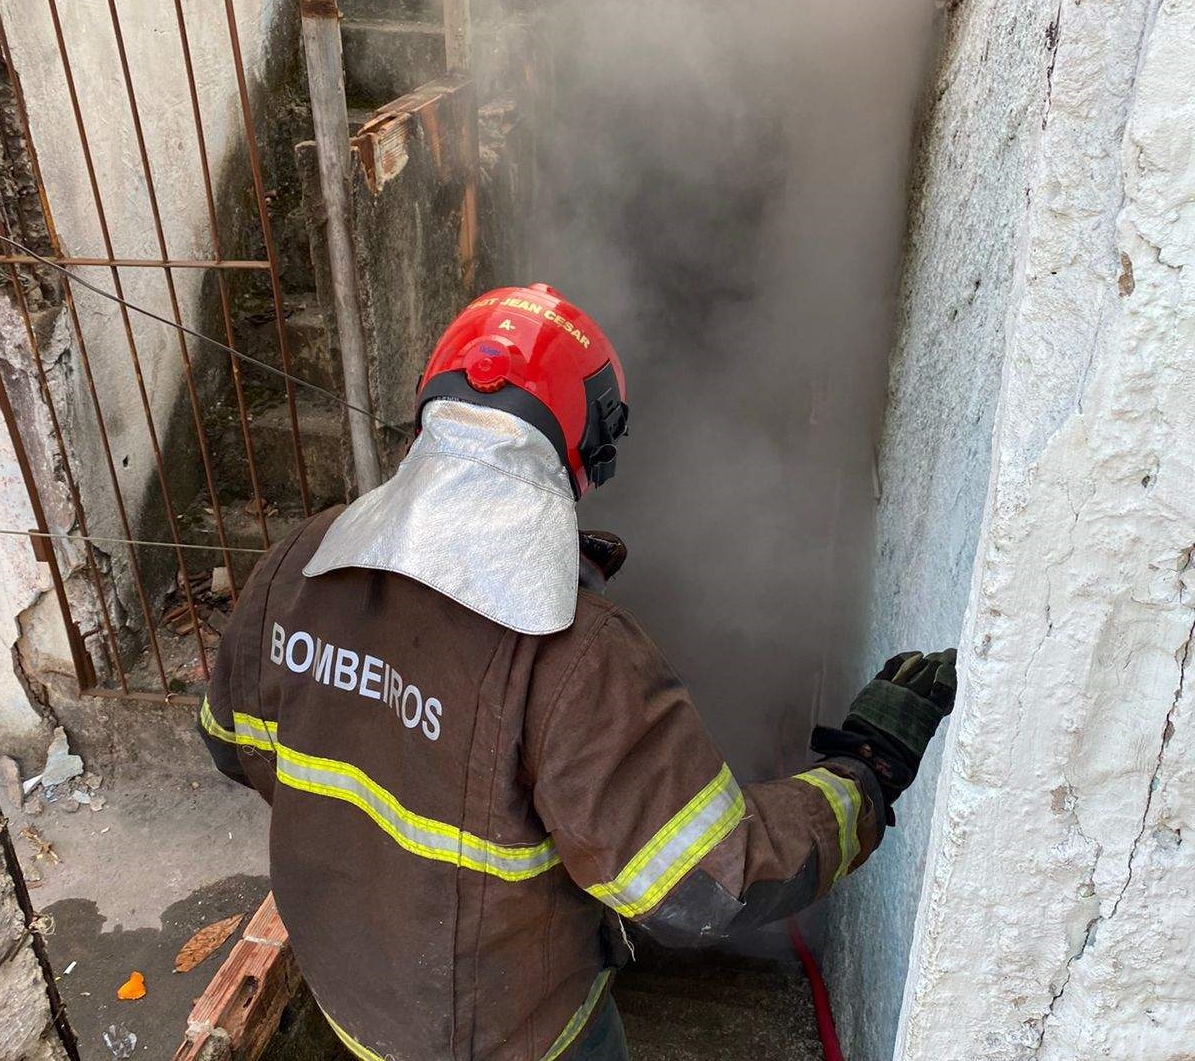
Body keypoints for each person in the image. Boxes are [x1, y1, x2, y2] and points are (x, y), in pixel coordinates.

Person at [199, 283, 956, 1061]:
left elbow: (229, 744)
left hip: (356, 1005)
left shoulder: (304, 558)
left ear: (432, 397)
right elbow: (701, 884)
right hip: (516, 1038)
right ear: (588, 449)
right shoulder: (574, 653)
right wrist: (865, 774)